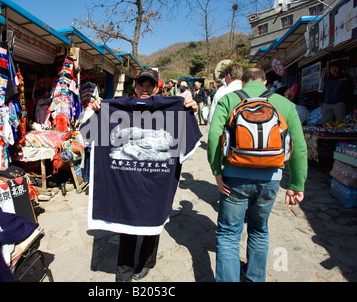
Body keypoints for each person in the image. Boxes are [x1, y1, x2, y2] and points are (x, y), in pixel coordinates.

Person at [89, 68, 199, 282]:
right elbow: (86, 136)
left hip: (155, 183)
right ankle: (124, 275)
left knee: (152, 223)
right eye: (142, 84)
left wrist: (190, 111)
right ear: (135, 87)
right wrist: (95, 110)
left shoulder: (172, 109)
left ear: (157, 87)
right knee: (127, 227)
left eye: (150, 85)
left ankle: (148, 261)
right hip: (126, 183)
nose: (146, 89)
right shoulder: (115, 108)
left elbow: (186, 141)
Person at [207, 67, 308, 282]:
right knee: (259, 230)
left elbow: (214, 136)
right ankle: (255, 278)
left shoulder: (229, 100)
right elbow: (299, 146)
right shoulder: (284, 104)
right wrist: (297, 184)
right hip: (270, 179)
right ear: (264, 83)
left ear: (242, 83)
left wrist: (217, 171)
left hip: (234, 177)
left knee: (228, 235)